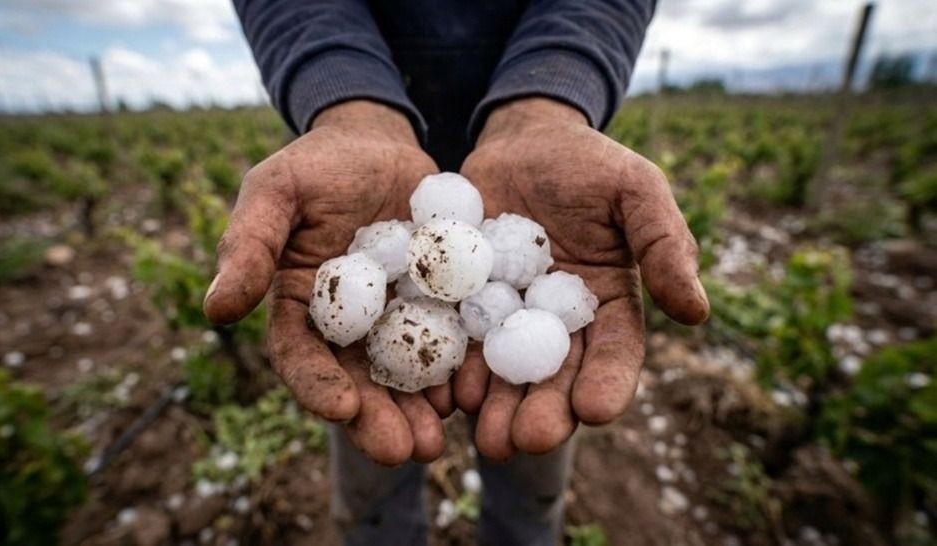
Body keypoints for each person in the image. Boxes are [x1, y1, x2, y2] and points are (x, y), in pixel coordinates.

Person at [203, 1, 709, 544]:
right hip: (363, 164)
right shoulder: (394, 257)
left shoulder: (508, 273)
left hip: (534, 152)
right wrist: (346, 102)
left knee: (530, 469)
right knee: (374, 465)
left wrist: (552, 95)